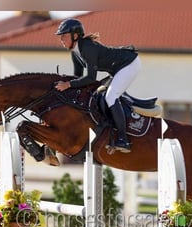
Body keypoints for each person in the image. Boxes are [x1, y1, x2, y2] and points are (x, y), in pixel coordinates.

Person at [55, 18, 141, 153]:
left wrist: (68, 84)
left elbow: (90, 78)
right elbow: (78, 77)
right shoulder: (75, 53)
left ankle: (123, 140)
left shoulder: (88, 48)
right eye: (61, 37)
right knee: (99, 95)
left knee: (111, 97)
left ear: (75, 36)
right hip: (117, 69)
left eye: (64, 36)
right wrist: (65, 84)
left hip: (129, 64)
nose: (61, 40)